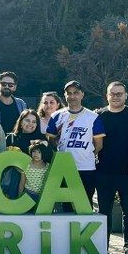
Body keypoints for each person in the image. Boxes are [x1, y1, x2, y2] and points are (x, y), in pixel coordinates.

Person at [95, 82, 128, 254]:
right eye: (112, 94)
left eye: (119, 93)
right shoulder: (98, 116)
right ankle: (103, 247)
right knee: (104, 212)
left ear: (126, 95)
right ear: (107, 95)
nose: (115, 96)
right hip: (103, 172)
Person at [45, 81, 104, 210]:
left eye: (76, 93)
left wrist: (86, 155)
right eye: (69, 93)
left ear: (82, 94)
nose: (72, 96)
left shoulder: (93, 117)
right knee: (66, 207)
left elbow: (98, 145)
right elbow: (51, 140)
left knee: (85, 205)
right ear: (64, 95)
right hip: (64, 168)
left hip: (86, 168)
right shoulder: (57, 116)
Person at [4, 109, 41, 199]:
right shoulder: (11, 138)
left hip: (35, 181)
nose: (30, 124)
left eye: (34, 122)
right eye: (27, 120)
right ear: (20, 122)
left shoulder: (41, 139)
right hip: (14, 179)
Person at [19, 140, 53, 210]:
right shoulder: (25, 165)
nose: (36, 154)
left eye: (39, 152)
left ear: (44, 153)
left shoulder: (48, 166)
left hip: (43, 196)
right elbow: (22, 182)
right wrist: (20, 196)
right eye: (34, 151)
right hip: (29, 194)